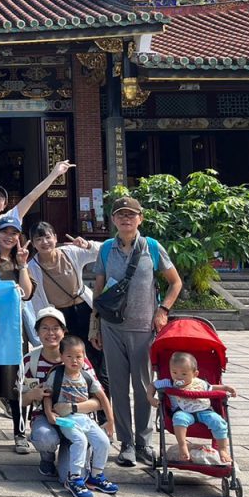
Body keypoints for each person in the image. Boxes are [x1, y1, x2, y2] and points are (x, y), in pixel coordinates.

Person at [91, 196, 182, 468]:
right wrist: (94, 323)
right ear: (114, 220)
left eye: (131, 215)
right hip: (112, 327)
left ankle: (144, 443)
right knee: (118, 388)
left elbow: (175, 282)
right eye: (120, 215)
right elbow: (99, 287)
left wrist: (163, 310)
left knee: (144, 387)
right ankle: (126, 443)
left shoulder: (152, 247)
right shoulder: (107, 249)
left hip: (144, 328)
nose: (126, 219)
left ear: (140, 218)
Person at [27, 222, 105, 412]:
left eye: (48, 237)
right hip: (60, 317)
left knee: (95, 357)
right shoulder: (32, 266)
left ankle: (102, 409)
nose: (45, 242)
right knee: (67, 358)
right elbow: (32, 296)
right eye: (39, 239)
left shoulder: (71, 252)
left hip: (83, 310)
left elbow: (103, 251)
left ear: (55, 237)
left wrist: (87, 244)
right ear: (33, 244)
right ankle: (69, 403)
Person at [21, 306, 100, 478]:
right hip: (46, 419)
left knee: (68, 477)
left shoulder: (80, 360)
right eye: (45, 328)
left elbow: (98, 400)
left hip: (77, 423)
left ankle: (74, 454)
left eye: (56, 328)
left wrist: (72, 408)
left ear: (64, 331)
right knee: (44, 437)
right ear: (37, 332)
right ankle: (47, 457)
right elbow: (19, 399)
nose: (51, 333)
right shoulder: (30, 361)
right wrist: (32, 395)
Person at [42, 335, 118, 497]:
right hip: (67, 420)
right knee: (80, 441)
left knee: (103, 441)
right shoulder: (57, 374)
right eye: (69, 356)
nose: (74, 360)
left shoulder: (87, 376)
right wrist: (49, 413)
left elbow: (103, 397)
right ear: (61, 357)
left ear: (84, 357)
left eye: (78, 356)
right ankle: (74, 478)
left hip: (85, 418)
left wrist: (110, 421)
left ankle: (96, 476)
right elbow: (47, 395)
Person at [0, 214, 35, 454]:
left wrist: (23, 264)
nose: (9, 237)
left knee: (17, 382)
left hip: (13, 330)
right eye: (5, 232)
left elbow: (26, 293)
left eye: (14, 233)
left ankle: (19, 432)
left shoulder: (20, 262)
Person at [147, 351, 236, 464]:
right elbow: (153, 385)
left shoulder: (200, 383)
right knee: (178, 419)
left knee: (219, 422)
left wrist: (227, 388)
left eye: (184, 374)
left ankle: (222, 449)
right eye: (174, 372)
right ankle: (182, 445)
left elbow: (212, 388)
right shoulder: (169, 383)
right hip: (183, 411)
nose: (178, 377)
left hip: (204, 411)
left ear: (195, 374)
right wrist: (151, 398)